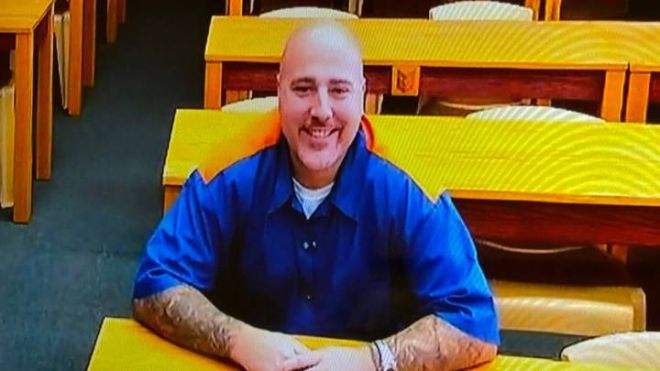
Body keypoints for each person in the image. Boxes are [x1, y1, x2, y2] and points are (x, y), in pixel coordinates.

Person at [132, 21, 499, 370]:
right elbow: (154, 284)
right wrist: (236, 340)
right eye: (303, 88)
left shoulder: (410, 189)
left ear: (364, 94)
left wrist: (372, 361)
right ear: (278, 90)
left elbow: (474, 325)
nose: (321, 111)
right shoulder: (226, 173)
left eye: (339, 90)